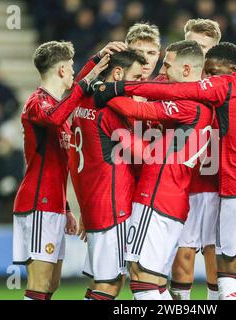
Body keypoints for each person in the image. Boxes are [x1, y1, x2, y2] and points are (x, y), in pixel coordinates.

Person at [93, 29, 236, 300]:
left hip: (220, 192)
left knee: (214, 274)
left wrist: (114, 88)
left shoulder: (219, 89)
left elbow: (153, 104)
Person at [102, 40, 213, 300]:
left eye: (167, 64)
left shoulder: (190, 105)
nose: (161, 71)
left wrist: (105, 91)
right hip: (172, 197)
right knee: (155, 280)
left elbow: (138, 109)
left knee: (142, 276)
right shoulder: (202, 105)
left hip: (157, 196)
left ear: (186, 70)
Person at [12, 40, 108, 300]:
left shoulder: (58, 107)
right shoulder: (36, 102)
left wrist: (65, 207)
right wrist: (89, 79)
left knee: (52, 284)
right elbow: (55, 116)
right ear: (63, 69)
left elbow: (58, 168)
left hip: (53, 205)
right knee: (39, 285)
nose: (75, 74)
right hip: (37, 203)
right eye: (73, 67)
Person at [70, 50, 146, 300]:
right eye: (134, 77)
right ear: (117, 73)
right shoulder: (111, 111)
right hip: (112, 207)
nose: (137, 84)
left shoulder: (82, 103)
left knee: (97, 283)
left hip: (93, 203)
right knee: (109, 284)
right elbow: (143, 153)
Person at [169, 42, 236, 301]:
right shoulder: (185, 93)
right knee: (184, 255)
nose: (207, 76)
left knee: (215, 255)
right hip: (186, 186)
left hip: (218, 188)